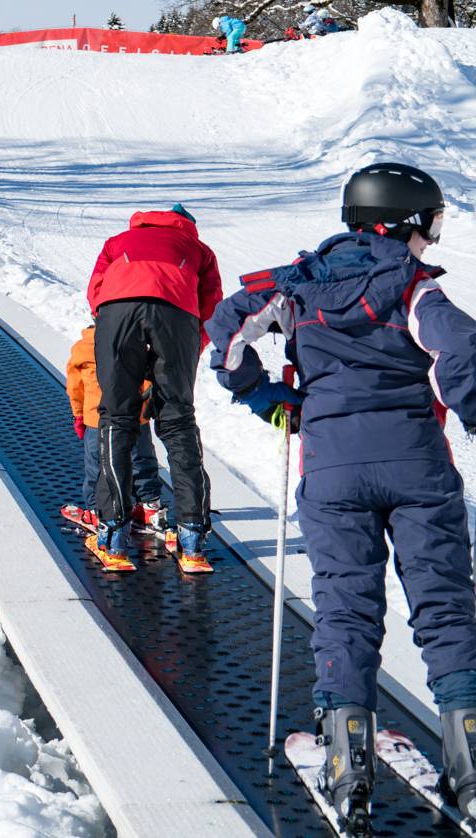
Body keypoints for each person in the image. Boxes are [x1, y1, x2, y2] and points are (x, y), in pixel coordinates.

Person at [207, 162, 476, 824]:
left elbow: (228, 330)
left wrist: (266, 395)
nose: (430, 242)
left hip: (332, 468)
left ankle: (344, 765)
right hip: (418, 464)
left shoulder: (297, 282)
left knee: (347, 609)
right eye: (431, 227)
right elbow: (461, 348)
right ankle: (470, 770)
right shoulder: (412, 286)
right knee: (444, 608)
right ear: (406, 223)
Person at [85, 203, 221, 574]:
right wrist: (187, 350)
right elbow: (210, 307)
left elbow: (95, 291)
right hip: (177, 317)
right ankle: (192, 539)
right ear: (187, 227)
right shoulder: (200, 250)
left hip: (117, 312)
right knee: (178, 422)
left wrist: (114, 334)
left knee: (117, 417)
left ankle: (113, 535)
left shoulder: (118, 241)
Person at [62, 323, 172, 535]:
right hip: (134, 415)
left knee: (98, 465)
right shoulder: (136, 344)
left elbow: (75, 387)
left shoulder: (83, 347)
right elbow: (150, 376)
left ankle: (97, 511)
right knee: (141, 460)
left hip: (97, 418)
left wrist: (78, 415)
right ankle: (149, 506)